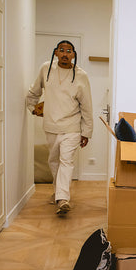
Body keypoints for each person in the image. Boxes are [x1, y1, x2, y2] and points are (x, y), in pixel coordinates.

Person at [26, 40, 93, 215]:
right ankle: (58, 192)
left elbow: (87, 106)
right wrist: (33, 108)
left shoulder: (81, 75)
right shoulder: (45, 68)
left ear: (73, 54)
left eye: (68, 51)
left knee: (66, 161)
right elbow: (34, 92)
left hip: (72, 127)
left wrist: (86, 132)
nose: (65, 54)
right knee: (53, 161)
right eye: (61, 50)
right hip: (50, 126)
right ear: (56, 53)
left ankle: (63, 199)